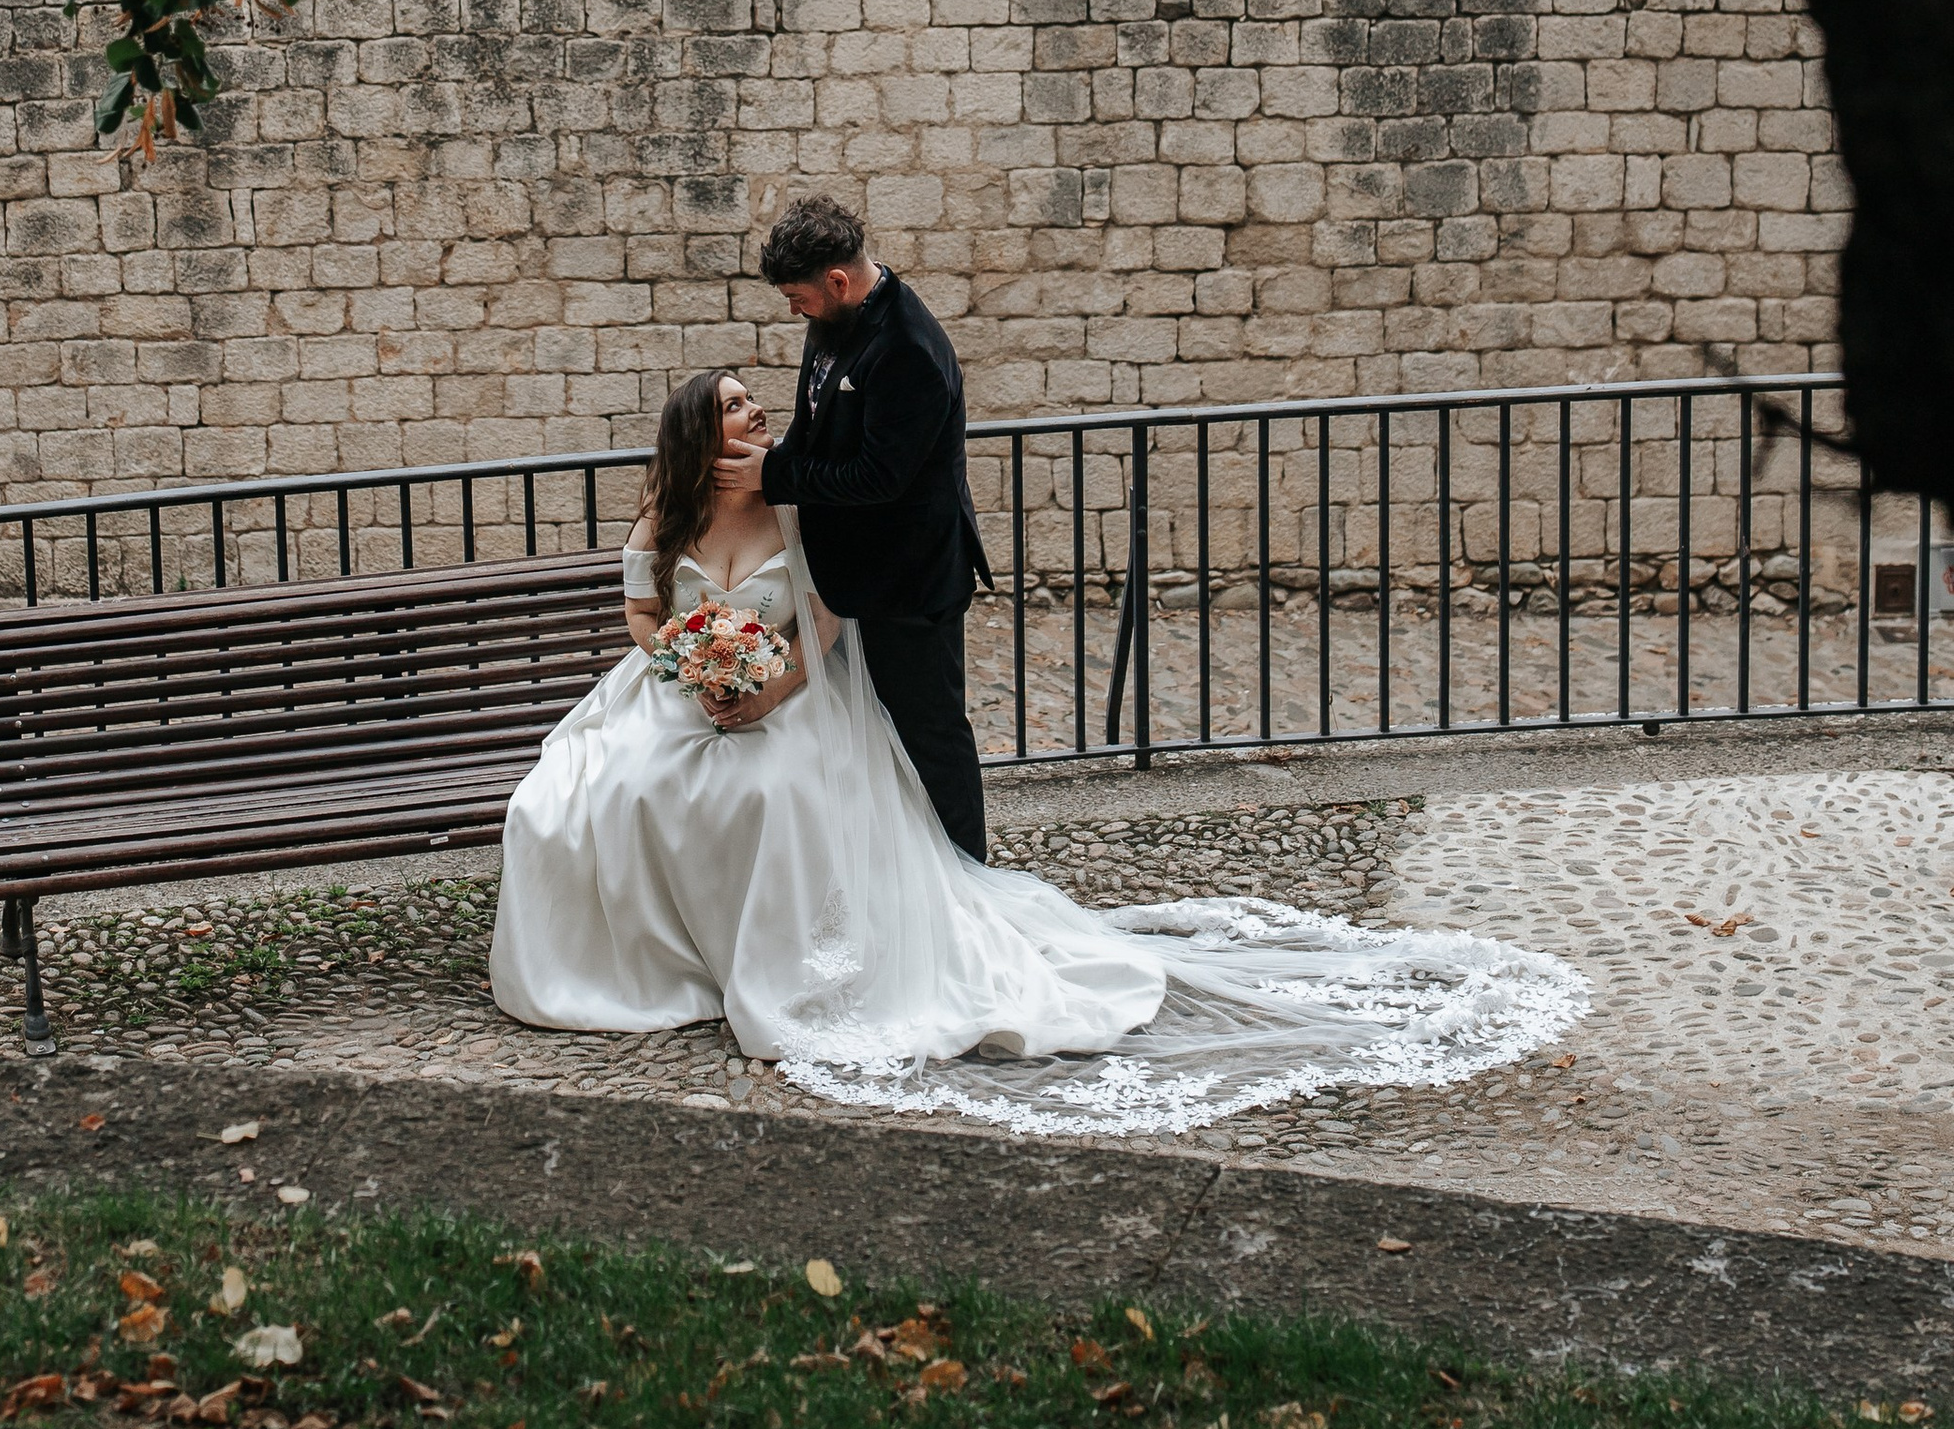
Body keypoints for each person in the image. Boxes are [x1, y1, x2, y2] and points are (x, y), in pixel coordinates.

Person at [488, 358, 1584, 1135]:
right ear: (698, 432)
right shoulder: (665, 513)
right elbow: (643, 614)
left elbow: (826, 614)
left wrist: (770, 686)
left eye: (756, 404)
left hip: (792, 690)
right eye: (735, 408)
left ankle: (776, 973)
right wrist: (691, 671)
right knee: (584, 795)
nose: (756, 415)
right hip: (678, 693)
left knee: (768, 792)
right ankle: (660, 964)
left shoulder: (793, 505)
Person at [740, 194, 992, 858]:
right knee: (870, 734)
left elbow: (878, 478)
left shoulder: (909, 349)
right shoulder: (835, 320)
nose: (792, 311)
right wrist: (770, 471)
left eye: (797, 298)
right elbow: (813, 425)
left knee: (930, 736)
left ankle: (968, 875)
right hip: (853, 577)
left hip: (910, 583)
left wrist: (772, 476)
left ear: (838, 281)